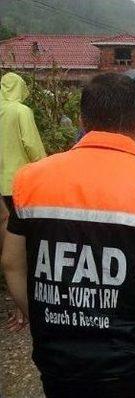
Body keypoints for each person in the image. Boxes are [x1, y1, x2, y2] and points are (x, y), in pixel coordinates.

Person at [1, 73, 135, 398]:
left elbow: (12, 264)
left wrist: (46, 322)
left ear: (83, 122)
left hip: (60, 365)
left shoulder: (30, 181)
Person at [1, 72, 47, 332]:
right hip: (18, 187)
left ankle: (14, 306)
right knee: (23, 249)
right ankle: (23, 308)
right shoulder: (21, 112)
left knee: (5, 249)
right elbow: (33, 146)